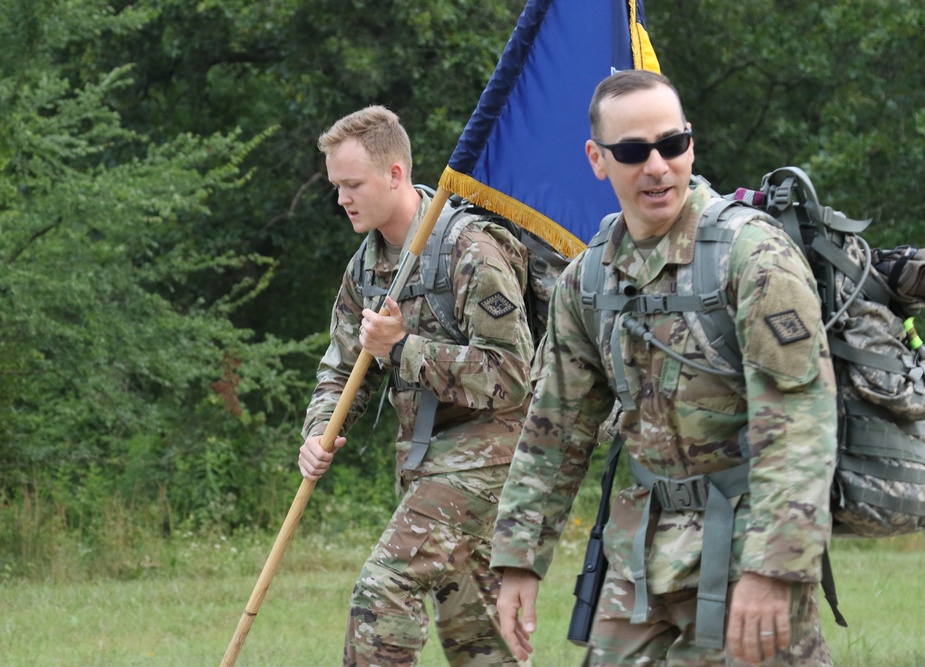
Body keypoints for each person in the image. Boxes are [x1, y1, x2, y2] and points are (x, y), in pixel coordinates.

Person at [490, 69, 838, 666]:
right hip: (639, 552)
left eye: (671, 145)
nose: (657, 166)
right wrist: (519, 559)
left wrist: (774, 568)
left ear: (690, 144)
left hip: (747, 543)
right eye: (633, 151)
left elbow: (800, 421)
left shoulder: (751, 255)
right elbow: (556, 429)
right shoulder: (590, 279)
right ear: (597, 160)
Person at [299, 105, 533, 667]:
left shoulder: (470, 249)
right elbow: (340, 367)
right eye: (336, 186)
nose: (341, 199)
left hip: (491, 456)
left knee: (384, 589)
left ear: (395, 174)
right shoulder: (368, 266)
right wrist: (317, 432)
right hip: (426, 461)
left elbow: (512, 374)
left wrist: (403, 350)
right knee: (479, 640)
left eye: (352, 184)